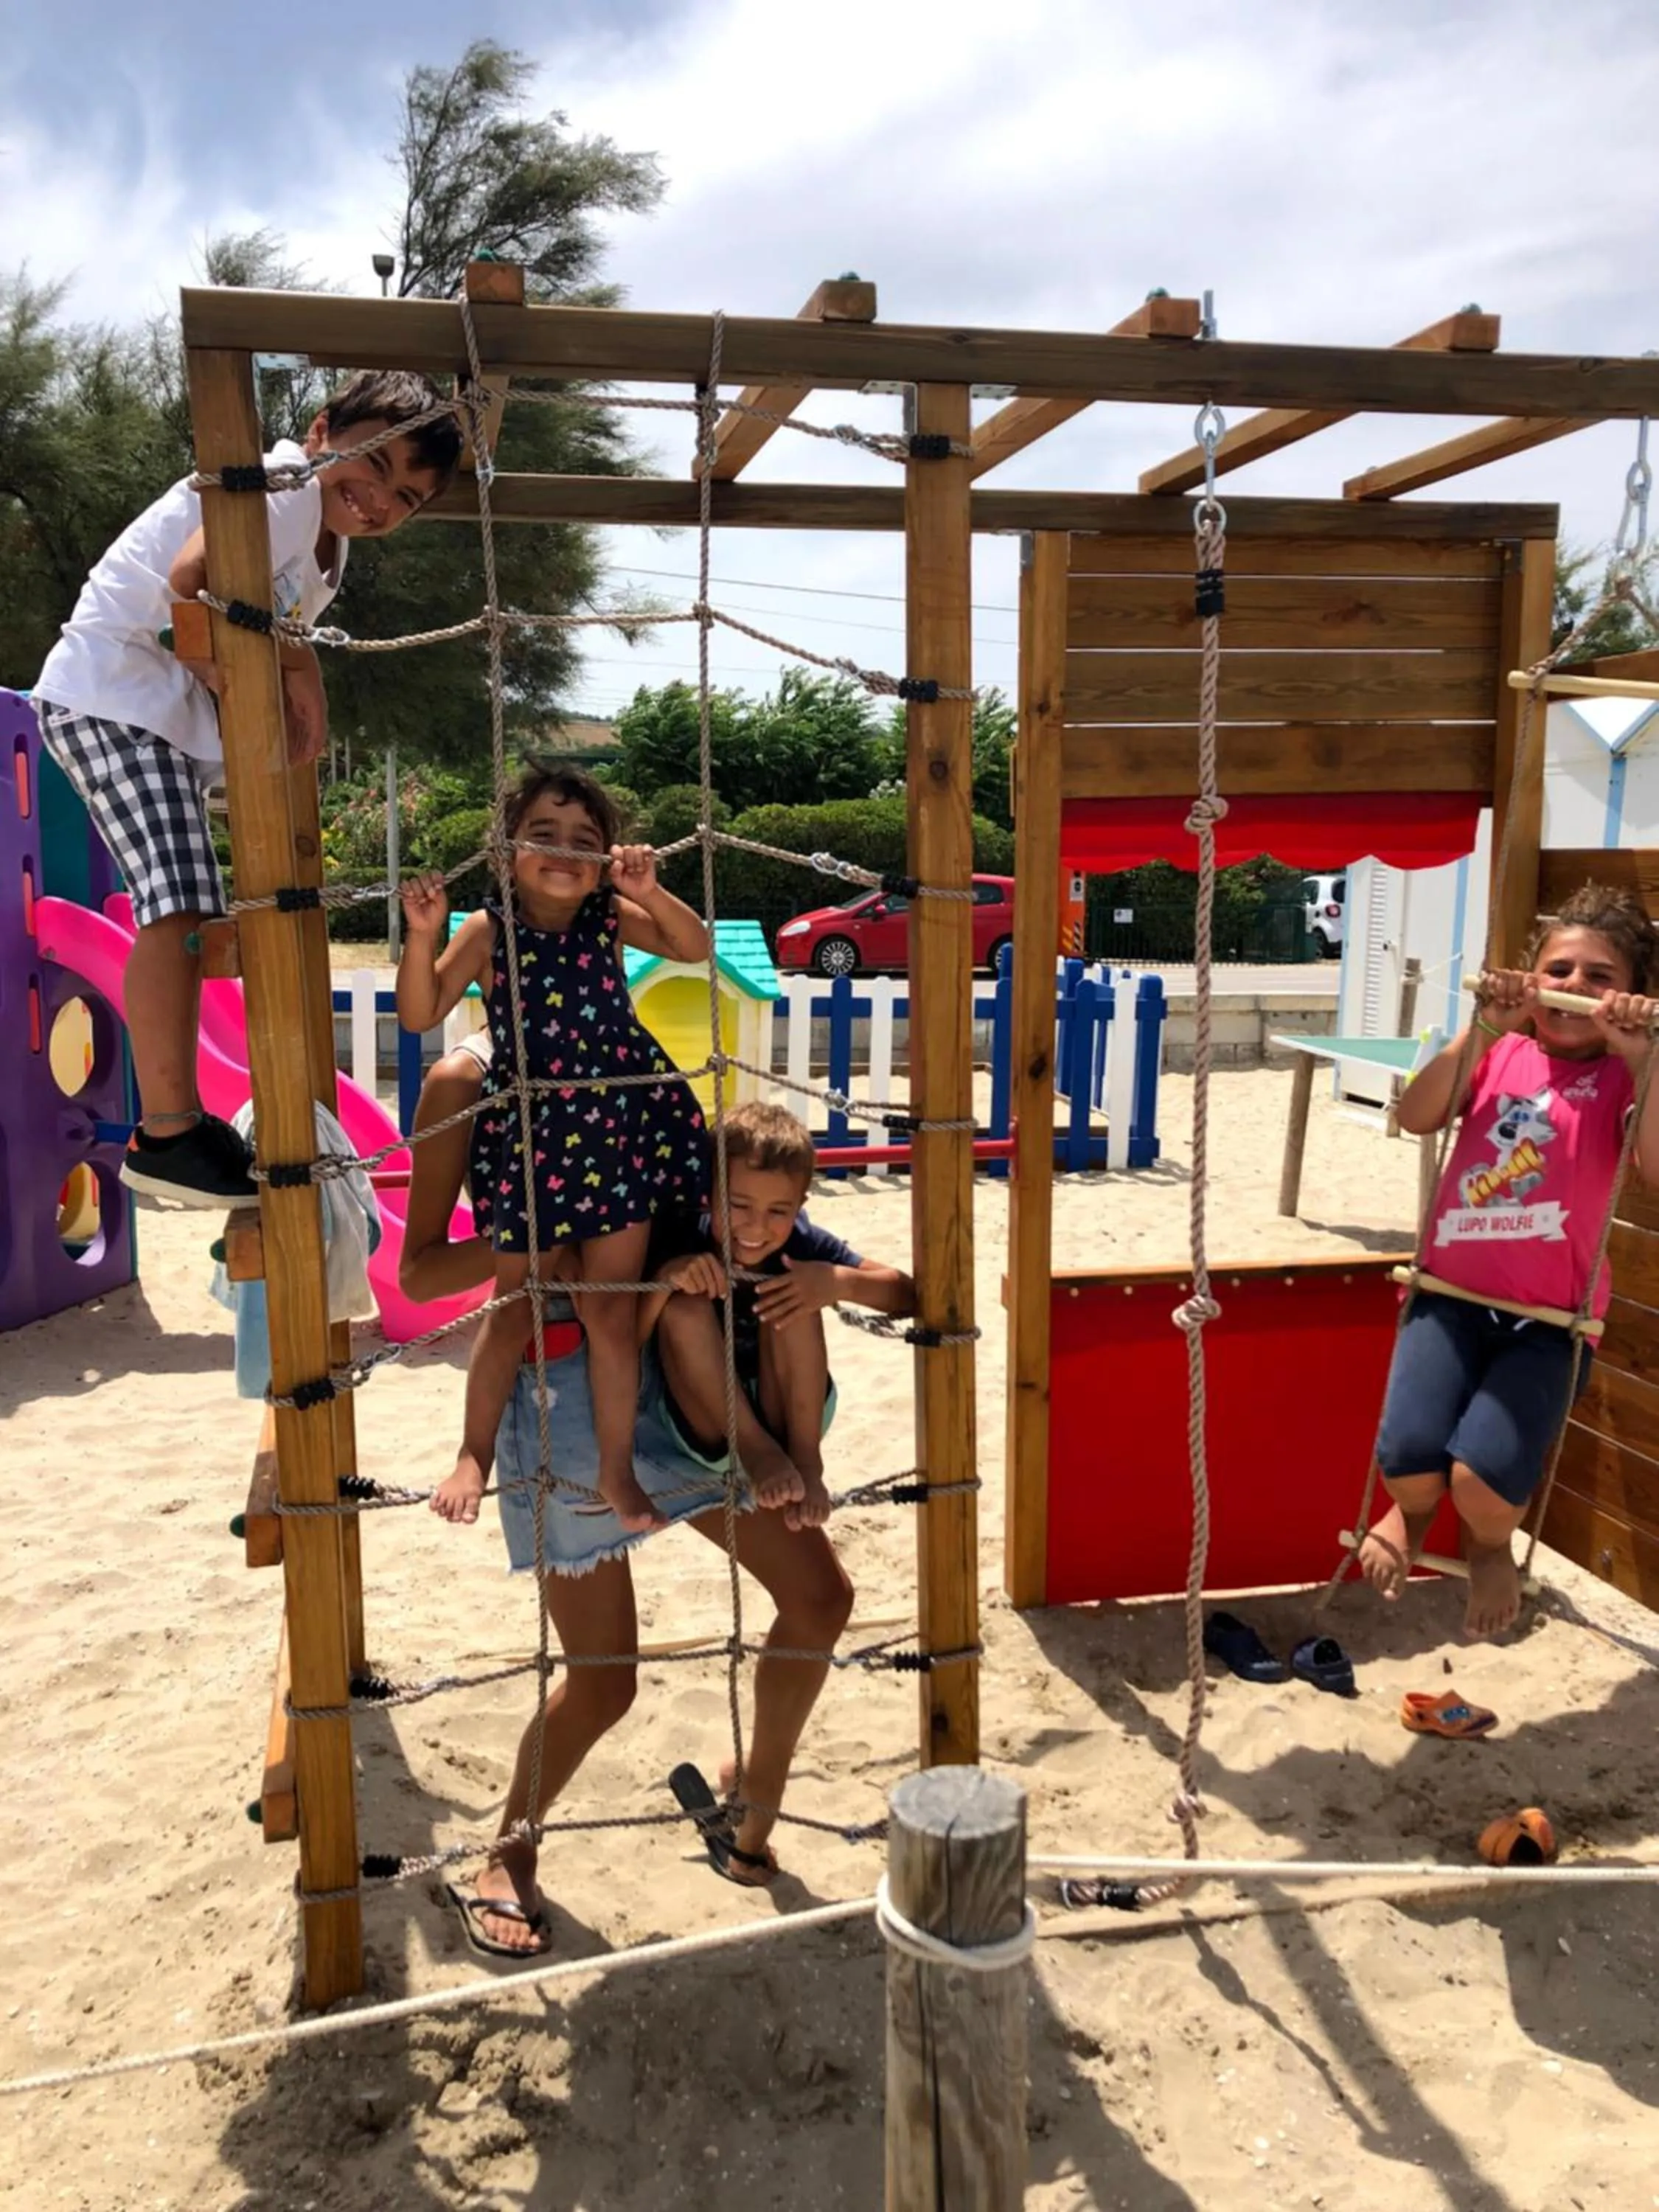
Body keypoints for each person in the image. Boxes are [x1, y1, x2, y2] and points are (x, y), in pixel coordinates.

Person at [397, 1043, 855, 1955]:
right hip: (560, 1383)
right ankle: (508, 1855)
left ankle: (752, 1799)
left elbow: (719, 1210)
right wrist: (546, 1240)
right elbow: (418, 1277)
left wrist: (819, 1279)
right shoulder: (467, 1079)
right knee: (606, 1679)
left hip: (669, 1370)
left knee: (820, 1596)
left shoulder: (631, 1056)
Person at [32, 369, 462, 1207]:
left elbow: (262, 616)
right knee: (180, 903)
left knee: (197, 902)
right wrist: (288, 674)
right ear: (321, 429)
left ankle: (180, 1124)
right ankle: (168, 1132)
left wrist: (296, 675)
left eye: (405, 497)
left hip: (149, 714)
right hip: (111, 695)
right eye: (372, 467)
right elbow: (196, 583)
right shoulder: (284, 487)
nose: (377, 501)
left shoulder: (323, 547)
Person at [397, 762, 709, 1537]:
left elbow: (693, 947)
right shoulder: (488, 927)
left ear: (605, 857)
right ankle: (472, 1453)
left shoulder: (609, 916)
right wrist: (425, 936)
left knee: (609, 1314)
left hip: (618, 1131)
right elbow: (420, 1011)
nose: (565, 851)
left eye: (584, 840)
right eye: (543, 834)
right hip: (539, 1141)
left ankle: (614, 1468)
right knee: (513, 1309)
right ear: (506, 852)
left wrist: (648, 891)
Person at [1358, 884, 1659, 1638]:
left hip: (1551, 1321)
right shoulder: (1503, 1052)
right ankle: (1411, 1511)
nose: (1577, 989)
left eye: (1601, 977)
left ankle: (1490, 1544)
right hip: (1449, 1296)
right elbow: (1416, 1115)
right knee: (1409, 1462)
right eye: (1560, 970)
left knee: (1484, 1483)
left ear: (1633, 996)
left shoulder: (1630, 1075)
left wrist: (1644, 1056)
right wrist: (1485, 1029)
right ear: (1532, 980)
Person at [641, 1101, 917, 1531]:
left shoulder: (800, 1244)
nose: (756, 1227)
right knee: (683, 1307)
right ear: (707, 1194)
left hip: (791, 1410)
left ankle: (806, 1459)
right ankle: (756, 1450)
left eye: (778, 1212)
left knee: (797, 1295)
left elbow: (906, 1295)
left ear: (800, 1204)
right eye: (738, 1205)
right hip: (709, 1419)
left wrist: (837, 1281)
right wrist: (664, 1280)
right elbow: (629, 1336)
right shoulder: (682, 1235)